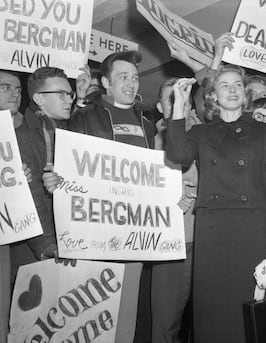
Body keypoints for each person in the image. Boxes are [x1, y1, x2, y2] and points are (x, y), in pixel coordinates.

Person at [165, 64, 266, 343]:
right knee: (212, 301)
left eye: (237, 85)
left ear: (245, 95)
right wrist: (179, 106)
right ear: (213, 96)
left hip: (251, 224)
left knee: (248, 298)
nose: (232, 90)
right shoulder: (201, 133)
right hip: (213, 227)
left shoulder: (263, 132)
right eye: (224, 85)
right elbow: (177, 153)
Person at [69, 50, 155, 343]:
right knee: (95, 313)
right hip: (97, 229)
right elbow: (73, 166)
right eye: (123, 77)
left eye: (135, 78)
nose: (131, 84)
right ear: (105, 82)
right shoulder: (85, 116)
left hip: (137, 230)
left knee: (130, 308)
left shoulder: (148, 122)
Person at [12, 67, 77, 284]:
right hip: (38, 253)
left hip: (67, 244)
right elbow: (30, 198)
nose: (68, 99)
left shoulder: (69, 134)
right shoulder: (23, 138)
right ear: (39, 98)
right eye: (61, 94)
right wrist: (47, 244)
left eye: (70, 94)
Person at [151, 77, 202, 343]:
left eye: (181, 96)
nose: (176, 101)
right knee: (165, 323)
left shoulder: (205, 134)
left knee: (207, 322)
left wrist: (196, 191)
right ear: (159, 106)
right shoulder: (147, 136)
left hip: (203, 239)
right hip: (166, 242)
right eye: (169, 98)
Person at [0, 69, 27, 343]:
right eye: (6, 87)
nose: (15, 94)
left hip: (12, 235)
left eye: (18, 89)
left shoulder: (25, 127)